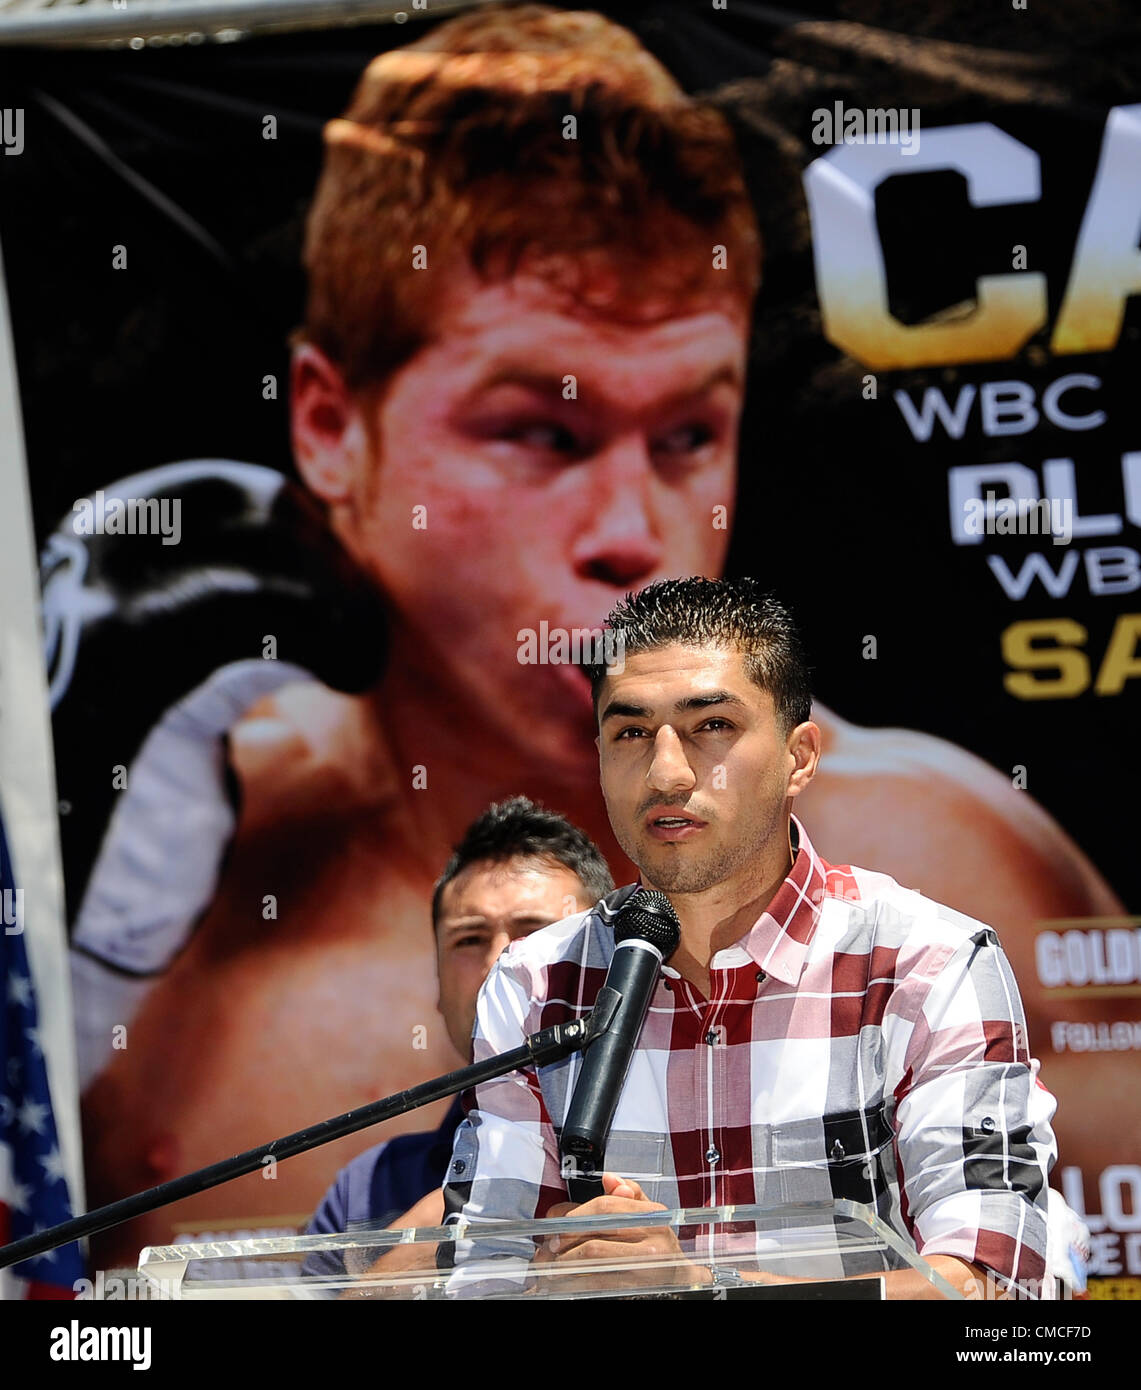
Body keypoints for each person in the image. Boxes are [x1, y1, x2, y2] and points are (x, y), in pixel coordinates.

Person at [69, 3, 1122, 1266]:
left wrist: (698, 1283)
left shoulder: (944, 910)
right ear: (331, 427)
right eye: (543, 432)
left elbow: (1015, 1300)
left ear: (794, 755)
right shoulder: (210, 877)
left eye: (685, 435)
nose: (631, 530)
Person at [441, 576, 1058, 1299]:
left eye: (711, 727)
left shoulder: (928, 963)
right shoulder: (534, 984)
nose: (666, 772)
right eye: (631, 732)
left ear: (799, 757)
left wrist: (699, 1286)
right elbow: (480, 1281)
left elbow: (993, 1288)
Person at [300, 795, 612, 1288]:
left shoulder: (685, 1146)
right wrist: (384, 1287)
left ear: (611, 966)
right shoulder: (366, 1189)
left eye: (536, 934)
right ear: (438, 989)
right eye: (470, 940)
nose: (501, 965)